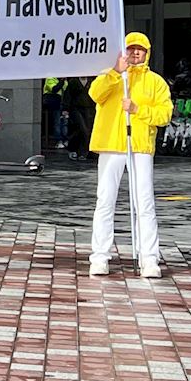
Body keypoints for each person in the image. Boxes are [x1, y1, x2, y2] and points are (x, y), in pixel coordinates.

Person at [88, 32, 173, 279]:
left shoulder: (156, 82)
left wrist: (137, 109)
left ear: (147, 52)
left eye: (140, 49)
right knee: (105, 201)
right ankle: (100, 257)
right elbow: (95, 94)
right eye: (131, 48)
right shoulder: (110, 75)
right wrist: (115, 72)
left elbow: (164, 115)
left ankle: (149, 258)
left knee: (144, 203)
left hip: (139, 146)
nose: (135, 53)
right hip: (110, 144)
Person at [63, 75, 94, 161]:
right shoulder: (73, 82)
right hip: (76, 109)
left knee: (87, 130)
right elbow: (68, 95)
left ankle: (82, 152)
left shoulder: (91, 82)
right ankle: (75, 150)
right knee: (81, 129)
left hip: (88, 109)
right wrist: (65, 108)